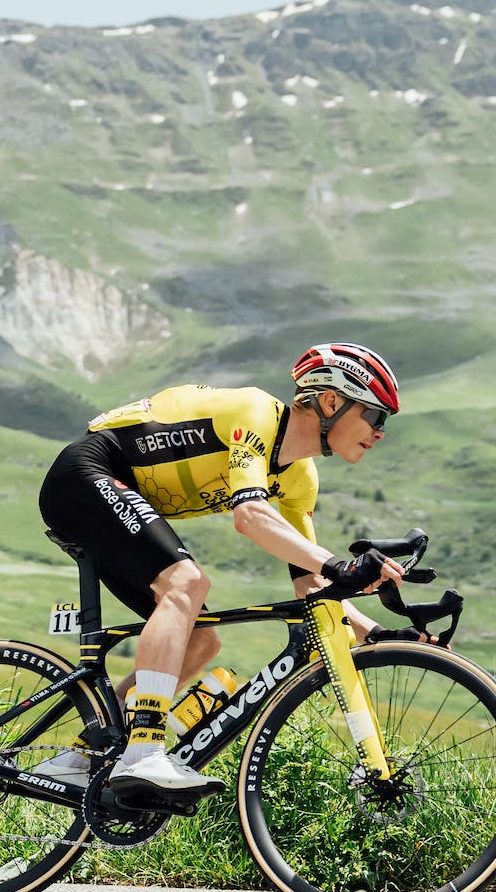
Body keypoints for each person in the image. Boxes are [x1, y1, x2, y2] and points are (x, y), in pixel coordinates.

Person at [35, 342, 405, 804]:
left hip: (118, 497)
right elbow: (250, 517)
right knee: (186, 583)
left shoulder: (299, 477)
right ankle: (143, 750)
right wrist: (339, 564)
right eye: (377, 417)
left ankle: (85, 755)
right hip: (86, 474)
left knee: (201, 639)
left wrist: (379, 633)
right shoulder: (255, 414)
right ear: (333, 402)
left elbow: (312, 581)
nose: (380, 433)